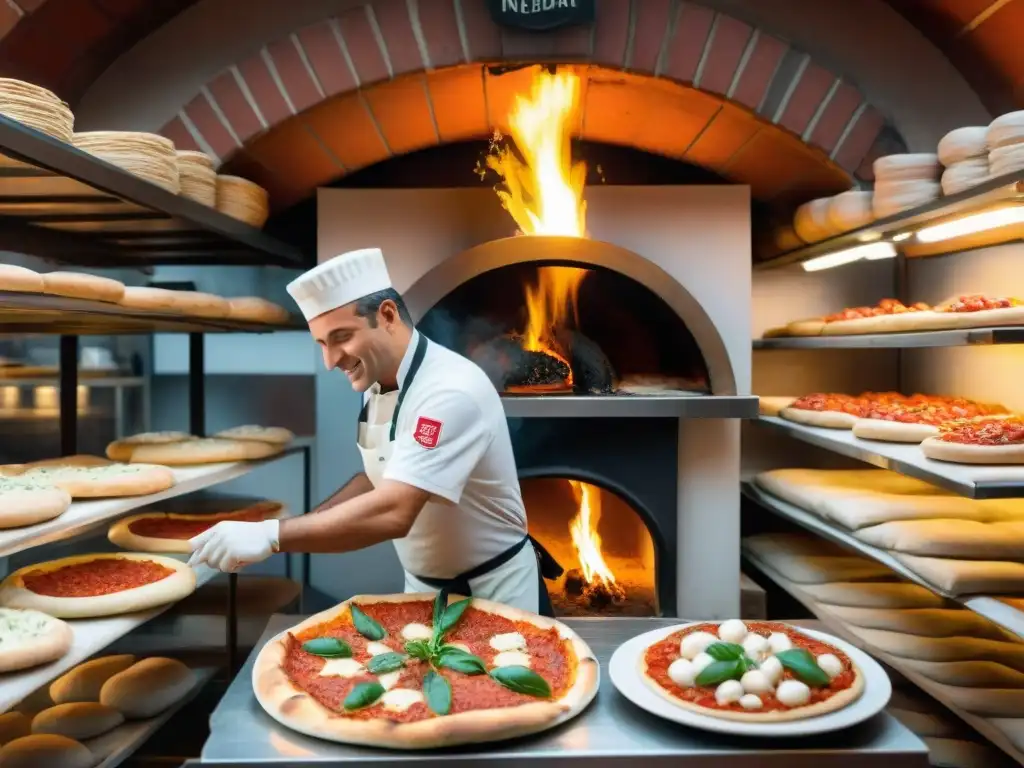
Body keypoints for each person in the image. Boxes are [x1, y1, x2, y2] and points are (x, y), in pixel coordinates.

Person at [187, 247, 560, 614]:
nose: (330, 361)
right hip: (423, 593)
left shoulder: (449, 390)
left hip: (497, 595)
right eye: (321, 343)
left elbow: (395, 509)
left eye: (341, 337)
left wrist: (271, 536)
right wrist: (290, 529)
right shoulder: (378, 382)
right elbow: (376, 477)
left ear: (387, 315)